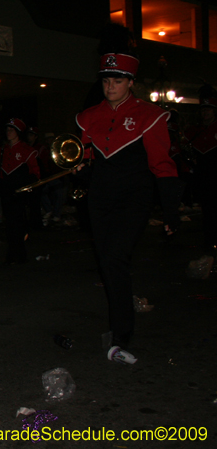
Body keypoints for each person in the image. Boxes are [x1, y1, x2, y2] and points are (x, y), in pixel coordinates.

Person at [75, 31, 180, 352]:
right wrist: (81, 169)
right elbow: (87, 155)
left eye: (117, 81)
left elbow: (163, 166)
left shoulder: (149, 116)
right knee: (107, 263)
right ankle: (118, 319)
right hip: (100, 200)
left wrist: (171, 212)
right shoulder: (90, 116)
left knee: (114, 260)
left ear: (131, 82)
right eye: (106, 80)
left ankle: (121, 330)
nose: (110, 86)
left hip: (134, 200)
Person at [0, 118, 40, 264]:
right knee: (9, 224)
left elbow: (35, 172)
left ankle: (19, 254)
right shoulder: (2, 151)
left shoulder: (27, 150)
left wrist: (30, 186)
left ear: (19, 133)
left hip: (20, 191)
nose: (8, 132)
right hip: (7, 191)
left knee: (18, 223)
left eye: (12, 130)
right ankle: (12, 253)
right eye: (7, 129)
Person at [183, 92, 217, 250]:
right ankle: (209, 238)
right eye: (203, 110)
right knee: (207, 208)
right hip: (203, 174)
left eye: (208, 110)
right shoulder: (195, 130)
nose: (205, 113)